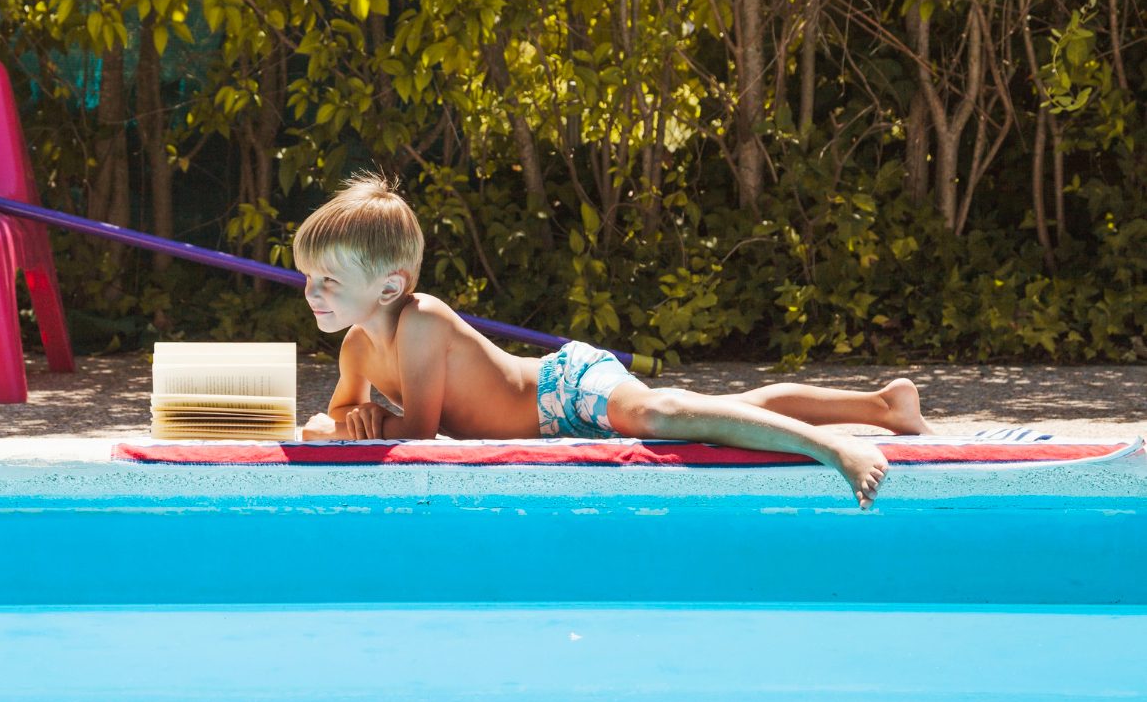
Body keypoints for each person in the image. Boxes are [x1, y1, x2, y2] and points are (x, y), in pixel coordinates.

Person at [294, 173, 933, 507]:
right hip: (552, 425)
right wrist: (357, 415)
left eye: (328, 280)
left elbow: (417, 439)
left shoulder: (422, 321)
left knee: (665, 411)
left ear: (389, 286)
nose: (311, 293)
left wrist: (366, 421)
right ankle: (883, 406)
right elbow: (345, 411)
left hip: (563, 388)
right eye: (308, 278)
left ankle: (832, 448)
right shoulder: (357, 346)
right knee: (725, 414)